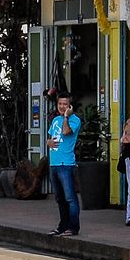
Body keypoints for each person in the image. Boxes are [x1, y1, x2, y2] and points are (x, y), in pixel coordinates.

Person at [46, 91, 82, 236]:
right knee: (59, 198)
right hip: (54, 163)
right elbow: (51, 138)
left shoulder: (74, 120)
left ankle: (73, 227)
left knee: (70, 198)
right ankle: (62, 225)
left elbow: (66, 132)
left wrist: (66, 116)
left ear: (70, 106)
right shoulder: (55, 120)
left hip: (66, 163)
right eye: (60, 104)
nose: (62, 107)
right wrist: (48, 143)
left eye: (65, 104)